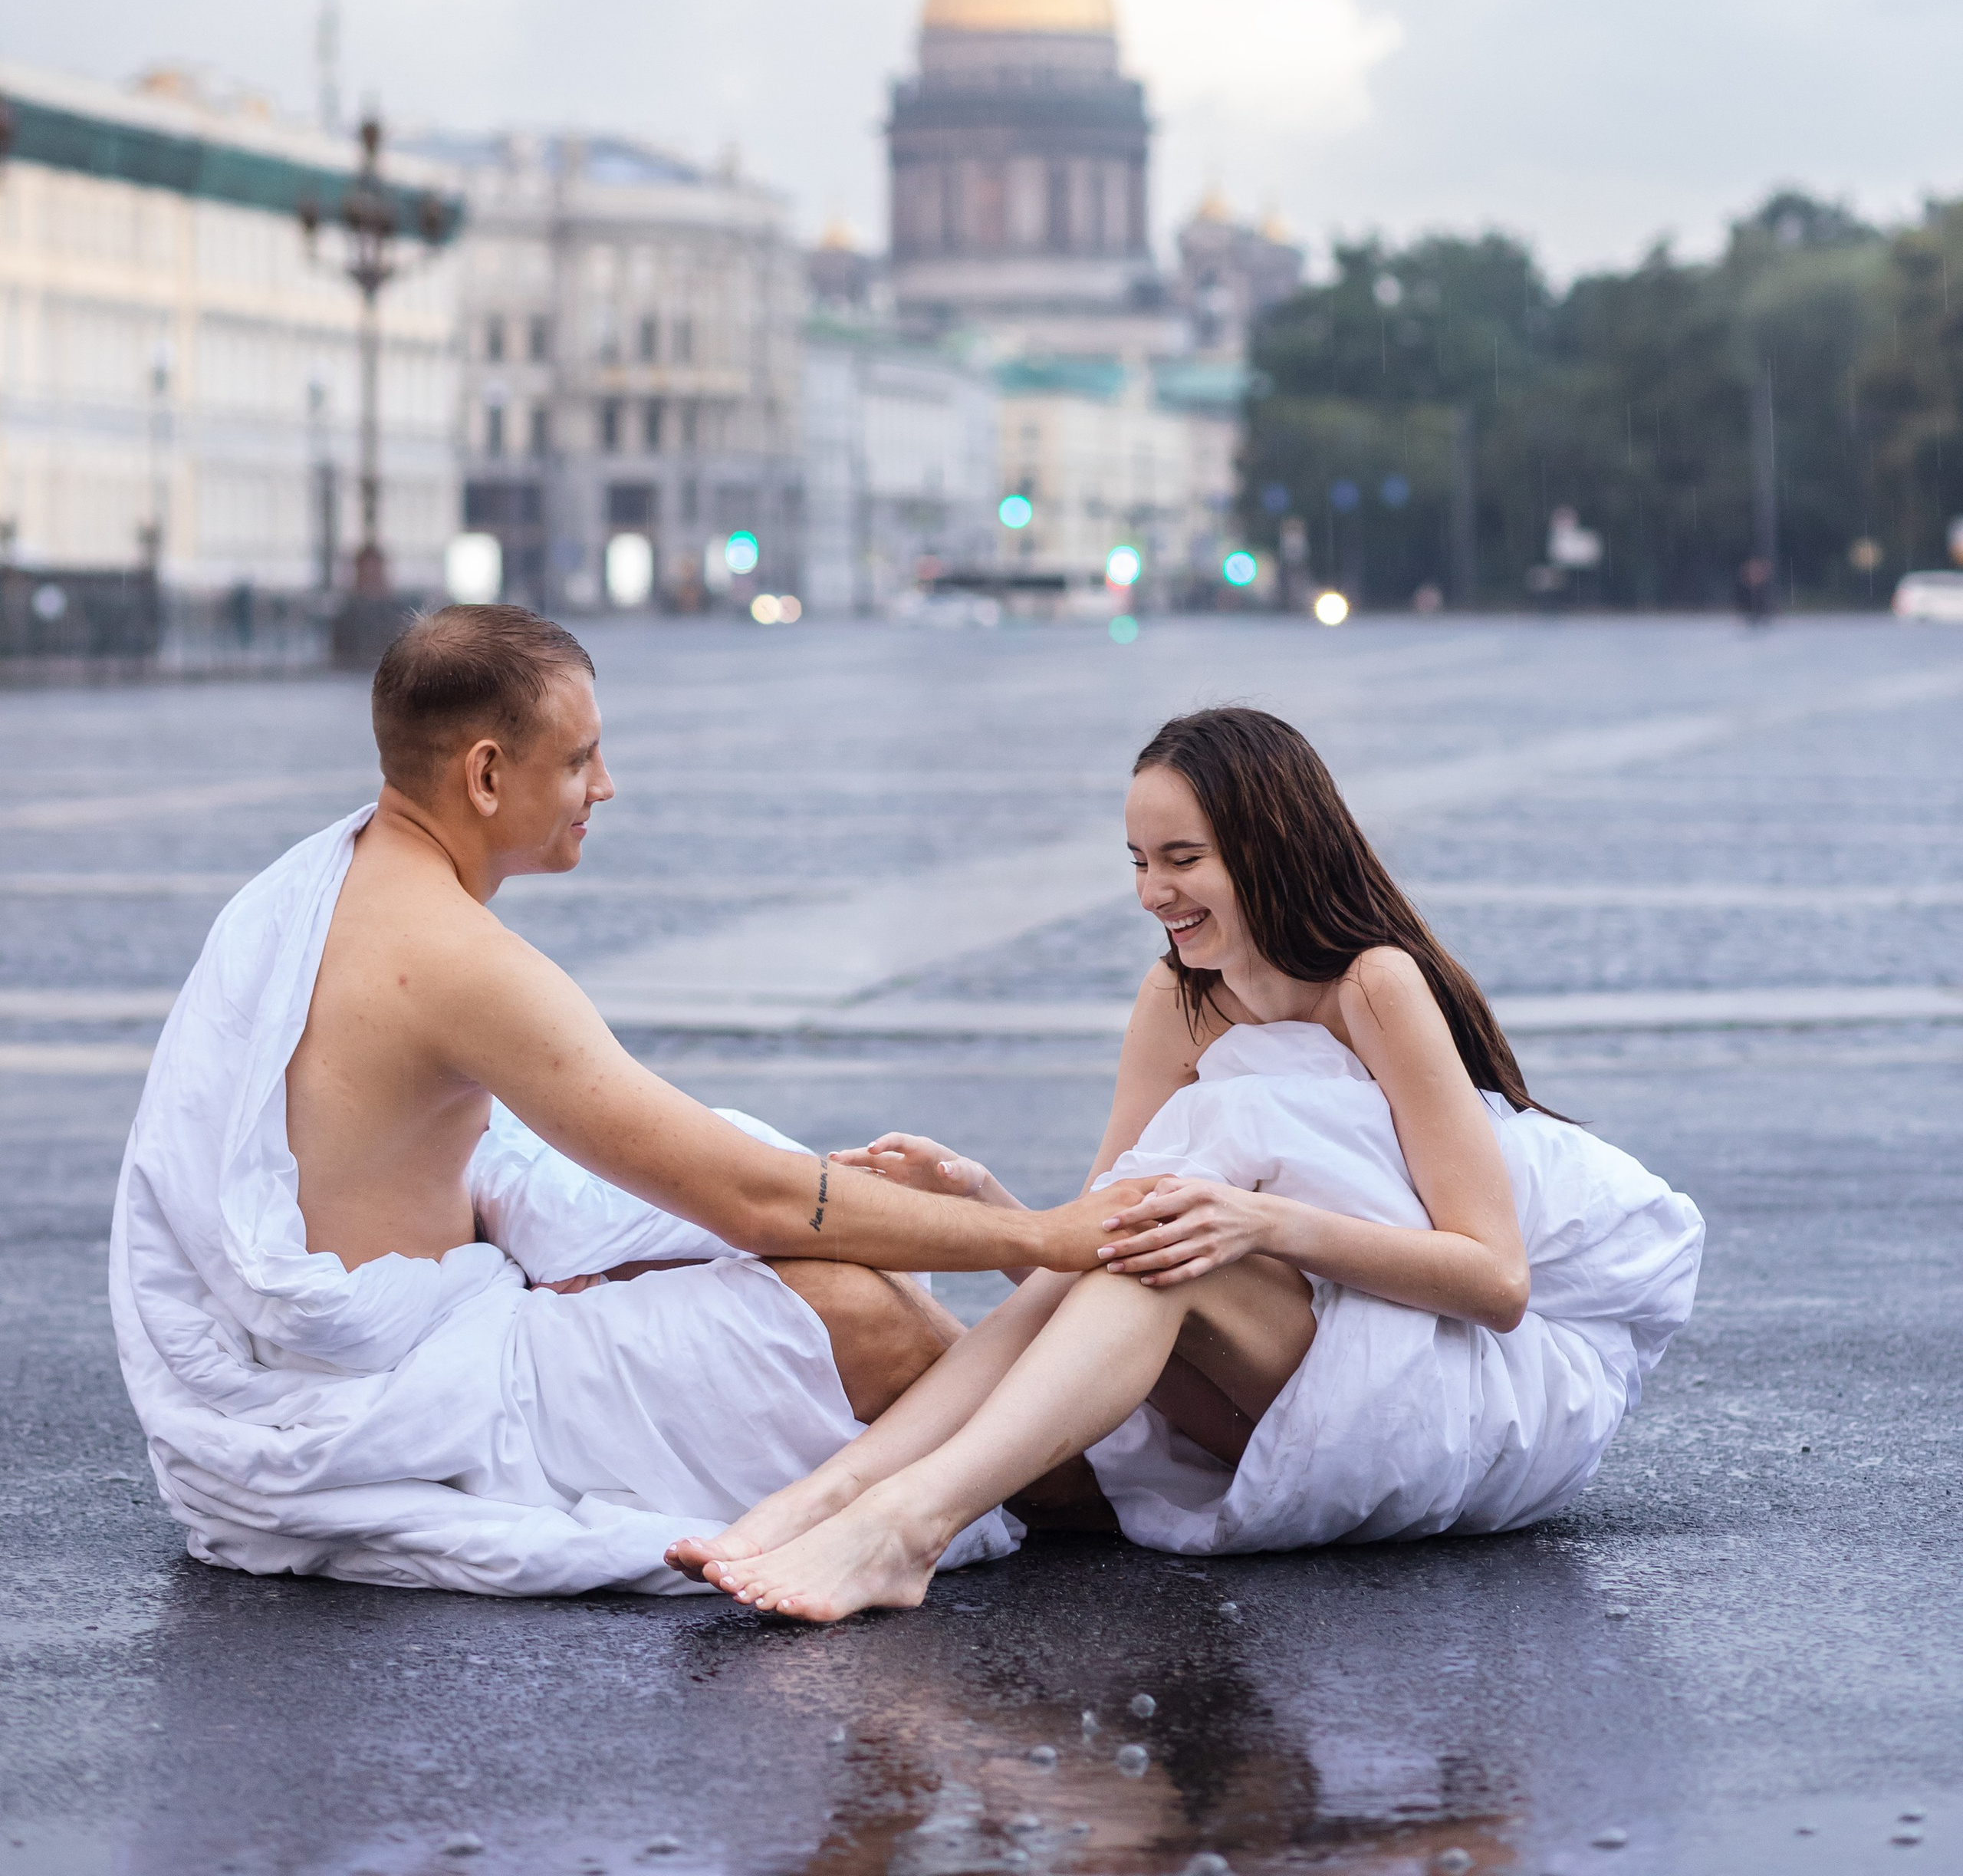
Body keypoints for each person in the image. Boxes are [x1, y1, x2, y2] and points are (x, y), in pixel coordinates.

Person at [110, 604, 1152, 1599]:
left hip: (398, 1331)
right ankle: (1143, 1508)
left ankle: (1086, 1457)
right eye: (577, 760)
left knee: (810, 1251)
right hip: (395, 1390)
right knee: (855, 1315)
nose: (604, 786)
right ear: (484, 774)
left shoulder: (321, 888)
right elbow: (754, 1200)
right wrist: (1049, 1237)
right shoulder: (462, 961)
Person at [670, 706, 1705, 1621]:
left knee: (1170, 1243)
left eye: (1181, 858)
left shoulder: (1376, 986)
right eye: (1136, 861)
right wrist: (987, 1201)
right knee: (1142, 1234)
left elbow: (1497, 1282)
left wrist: (1265, 1225)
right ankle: (829, 1501)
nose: (1153, 891)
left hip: (1453, 1385)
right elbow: (1082, 1269)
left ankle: (908, 1523)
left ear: (1268, 846)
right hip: (1279, 1369)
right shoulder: (1177, 999)